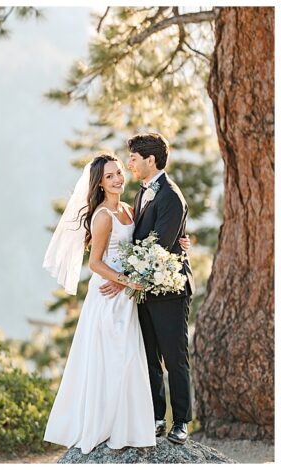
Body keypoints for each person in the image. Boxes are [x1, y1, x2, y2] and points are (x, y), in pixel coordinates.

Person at [42, 153, 190, 453]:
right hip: (109, 296)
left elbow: (150, 239)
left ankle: (131, 424)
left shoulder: (128, 209)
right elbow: (95, 263)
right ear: (99, 183)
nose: (118, 179)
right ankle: (104, 425)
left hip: (128, 295)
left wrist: (181, 242)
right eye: (109, 176)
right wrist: (125, 280)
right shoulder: (101, 217)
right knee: (112, 360)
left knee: (131, 359)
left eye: (119, 172)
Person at [100, 133, 194, 444]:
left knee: (174, 357)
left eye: (134, 159)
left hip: (168, 292)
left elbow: (161, 247)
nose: (129, 164)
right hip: (142, 290)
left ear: (150, 160)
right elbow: (140, 237)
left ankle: (181, 421)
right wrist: (124, 278)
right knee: (149, 356)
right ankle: (155, 416)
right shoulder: (143, 192)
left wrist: (120, 277)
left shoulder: (169, 195)